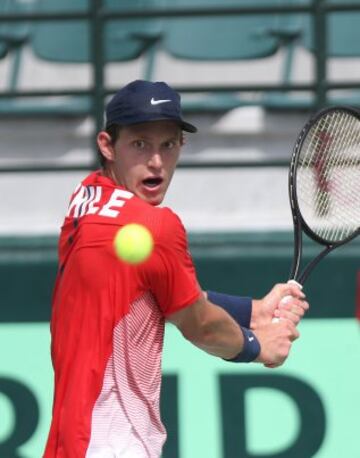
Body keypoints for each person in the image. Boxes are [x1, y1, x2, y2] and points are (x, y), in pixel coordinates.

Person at [43, 80, 308, 458]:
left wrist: (254, 312)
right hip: (115, 446)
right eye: (140, 144)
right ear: (107, 145)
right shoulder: (155, 226)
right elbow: (198, 323)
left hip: (71, 444)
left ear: (181, 146)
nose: (156, 162)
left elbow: (149, 293)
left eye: (167, 144)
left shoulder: (84, 199)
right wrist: (258, 345)